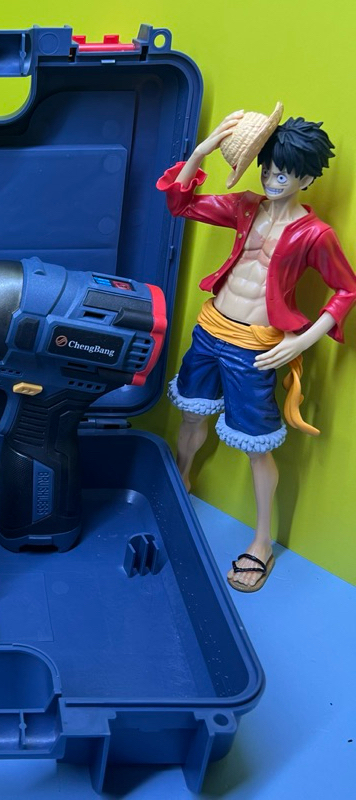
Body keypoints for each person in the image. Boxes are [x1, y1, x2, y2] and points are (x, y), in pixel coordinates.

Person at [157, 109, 356, 592]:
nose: (270, 179)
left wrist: (302, 339)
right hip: (211, 328)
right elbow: (181, 203)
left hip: (256, 346)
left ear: (306, 179)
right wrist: (202, 151)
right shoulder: (245, 207)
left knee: (256, 446)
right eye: (267, 169)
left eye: (282, 174)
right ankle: (183, 478)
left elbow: (346, 289)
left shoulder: (314, 234)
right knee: (191, 413)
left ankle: (262, 541)